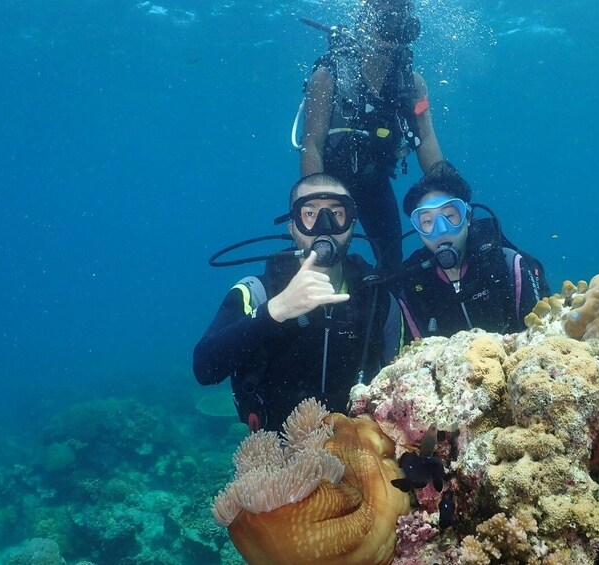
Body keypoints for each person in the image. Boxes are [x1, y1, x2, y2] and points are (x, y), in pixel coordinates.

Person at [193, 174, 403, 432]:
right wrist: (276, 309)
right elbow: (204, 369)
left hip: (362, 453)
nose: (324, 226)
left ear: (351, 224)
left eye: (337, 213)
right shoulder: (257, 291)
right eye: (310, 213)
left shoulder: (378, 300)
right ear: (292, 226)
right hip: (276, 458)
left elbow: (402, 380)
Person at [300, 0, 444, 272]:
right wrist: (316, 208)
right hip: (330, 186)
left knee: (392, 266)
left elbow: (426, 139)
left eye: (401, 24)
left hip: (375, 184)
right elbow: (312, 145)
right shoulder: (328, 75)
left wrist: (448, 193)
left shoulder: (413, 83)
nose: (393, 32)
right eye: (386, 22)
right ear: (365, 22)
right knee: (322, 259)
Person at [398, 161, 551, 339]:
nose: (441, 229)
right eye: (427, 222)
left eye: (449, 216)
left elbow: (539, 336)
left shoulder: (508, 265)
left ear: (468, 217)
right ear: (418, 230)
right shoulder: (413, 288)